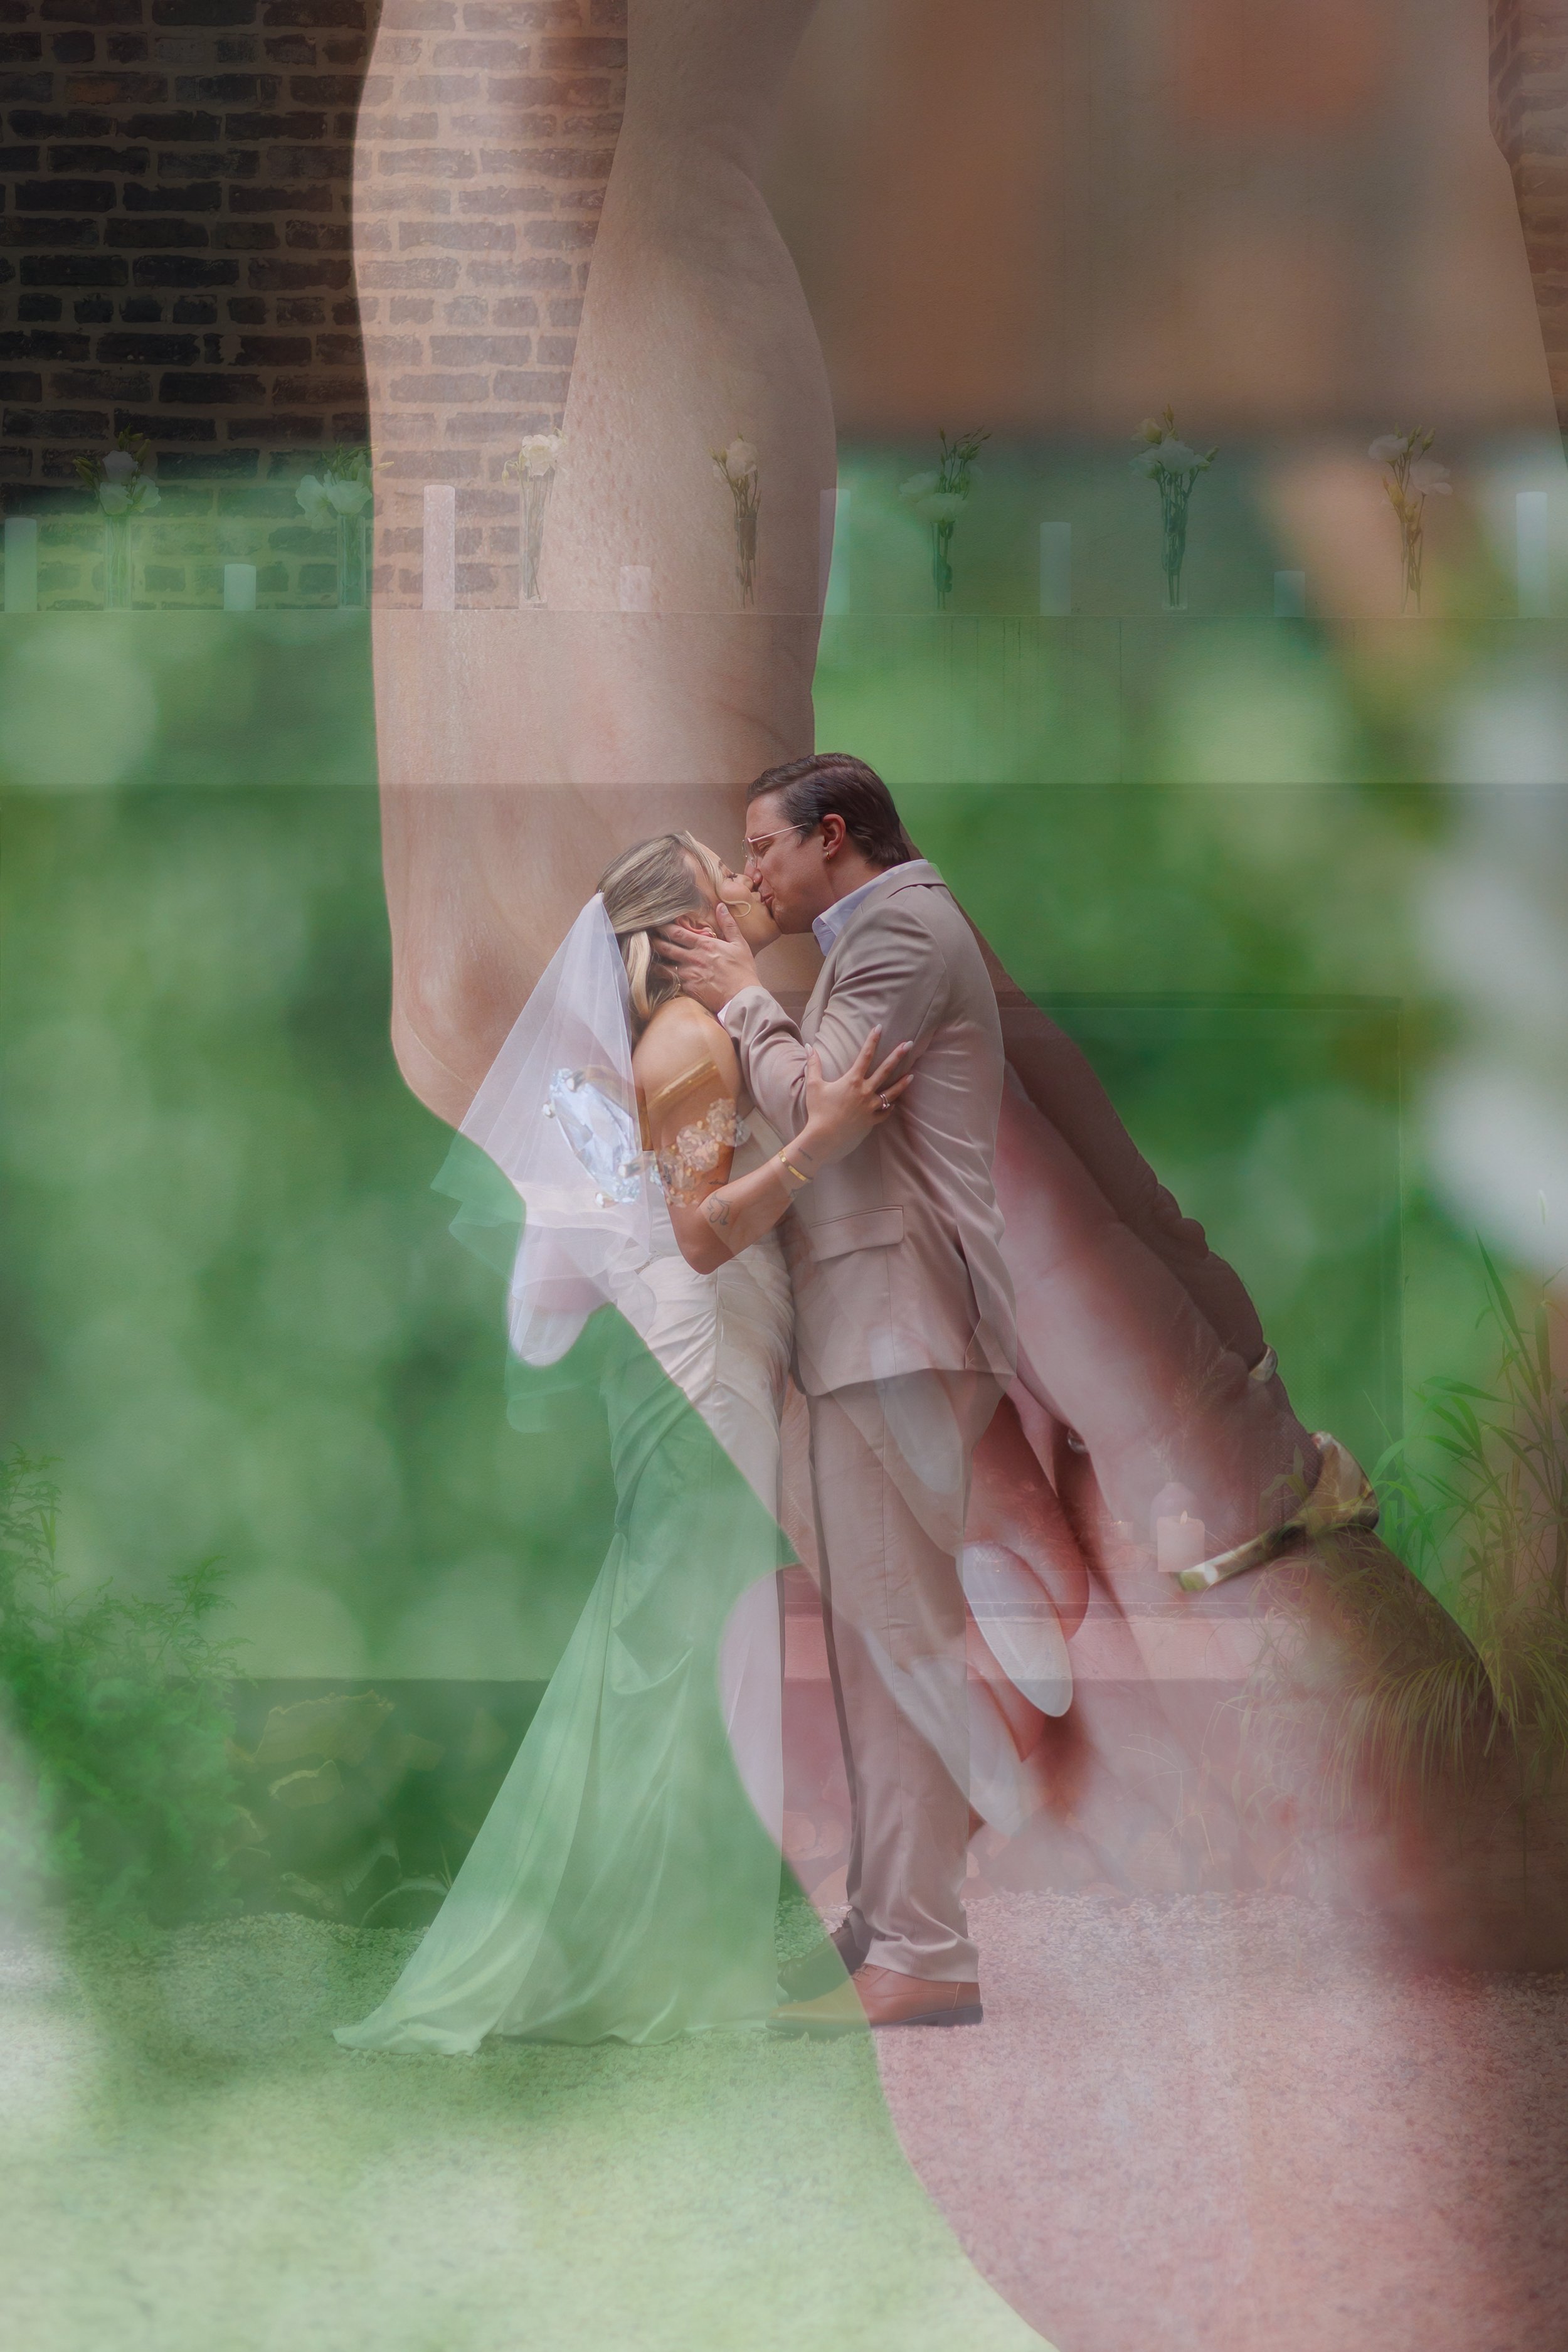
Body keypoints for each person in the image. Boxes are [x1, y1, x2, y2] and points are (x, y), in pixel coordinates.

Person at [335, 832, 909, 2051]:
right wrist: (827, 1135)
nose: (747, 893)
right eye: (719, 891)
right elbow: (699, 1238)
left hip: (702, 1353)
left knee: (667, 1643)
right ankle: (641, 1956)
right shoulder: (690, 1046)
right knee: (683, 1644)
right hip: (706, 1355)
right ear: (669, 939)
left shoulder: (664, 1047)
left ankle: (635, 1947)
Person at [664, 754, 1017, 2035]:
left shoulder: (903, 931)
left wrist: (748, 1003)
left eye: (760, 849)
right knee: (875, 1638)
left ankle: (926, 1948)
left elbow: (827, 1109)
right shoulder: (872, 934)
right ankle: (892, 1918)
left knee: (896, 1636)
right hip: (873, 1328)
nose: (752, 873)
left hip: (902, 1319)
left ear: (830, 836)